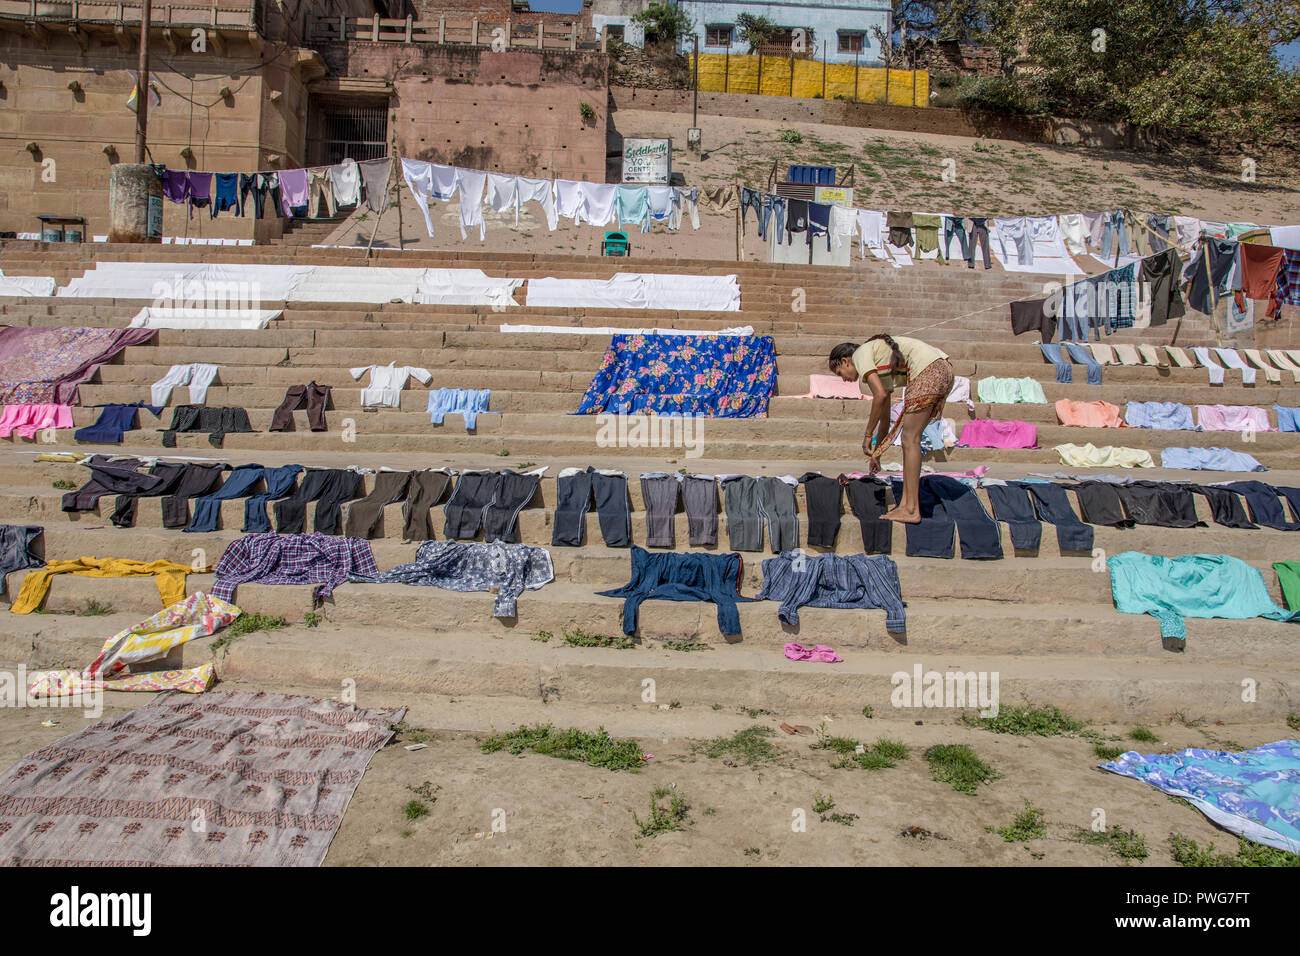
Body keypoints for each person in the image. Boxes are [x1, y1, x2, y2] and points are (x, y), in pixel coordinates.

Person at [829, 334, 953, 523]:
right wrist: (876, 454)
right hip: (943, 369)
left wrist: (867, 435)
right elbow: (885, 417)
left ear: (846, 361)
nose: (844, 379)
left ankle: (911, 509)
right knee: (910, 438)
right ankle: (906, 505)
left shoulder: (861, 354)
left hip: (929, 371)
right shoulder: (877, 362)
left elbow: (878, 396)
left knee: (910, 439)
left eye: (840, 373)